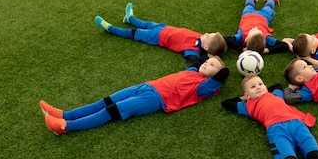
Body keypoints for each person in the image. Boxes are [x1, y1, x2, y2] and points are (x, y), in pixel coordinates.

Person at [40, 57, 229, 135]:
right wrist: (205, 61)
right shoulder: (192, 72)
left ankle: (65, 127)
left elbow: (216, 81)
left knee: (111, 111)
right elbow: (196, 61)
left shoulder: (203, 87)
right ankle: (65, 114)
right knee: (106, 101)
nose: (207, 64)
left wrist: (222, 72)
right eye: (208, 62)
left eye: (212, 66)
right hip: (147, 86)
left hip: (155, 99)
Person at [95, 2, 227, 62]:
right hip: (164, 27)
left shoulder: (192, 50)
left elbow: (194, 60)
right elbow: (225, 40)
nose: (206, 33)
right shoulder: (200, 38)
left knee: (134, 33)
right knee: (146, 23)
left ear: (206, 47)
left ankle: (110, 28)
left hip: (157, 37)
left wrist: (210, 57)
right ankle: (129, 17)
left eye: (208, 35)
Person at [223, 0, 290, 55]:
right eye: (259, 31)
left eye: (252, 31)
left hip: (248, 15)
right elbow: (285, 45)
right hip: (264, 17)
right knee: (268, 6)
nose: (255, 27)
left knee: (249, 5)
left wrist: (241, 49)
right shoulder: (266, 39)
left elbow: (227, 39)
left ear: (246, 39)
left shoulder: (241, 36)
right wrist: (266, 50)